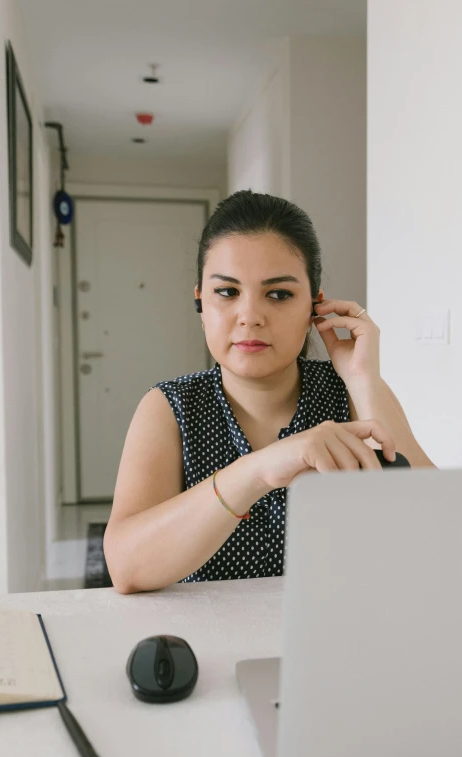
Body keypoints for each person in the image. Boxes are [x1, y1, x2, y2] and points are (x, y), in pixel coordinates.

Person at [104, 190, 435, 594]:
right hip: (209, 647)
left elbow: (440, 533)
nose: (250, 317)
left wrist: (364, 379)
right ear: (200, 302)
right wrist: (259, 469)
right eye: (227, 292)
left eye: (278, 294)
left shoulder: (351, 392)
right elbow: (126, 567)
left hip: (341, 638)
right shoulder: (171, 407)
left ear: (314, 307)